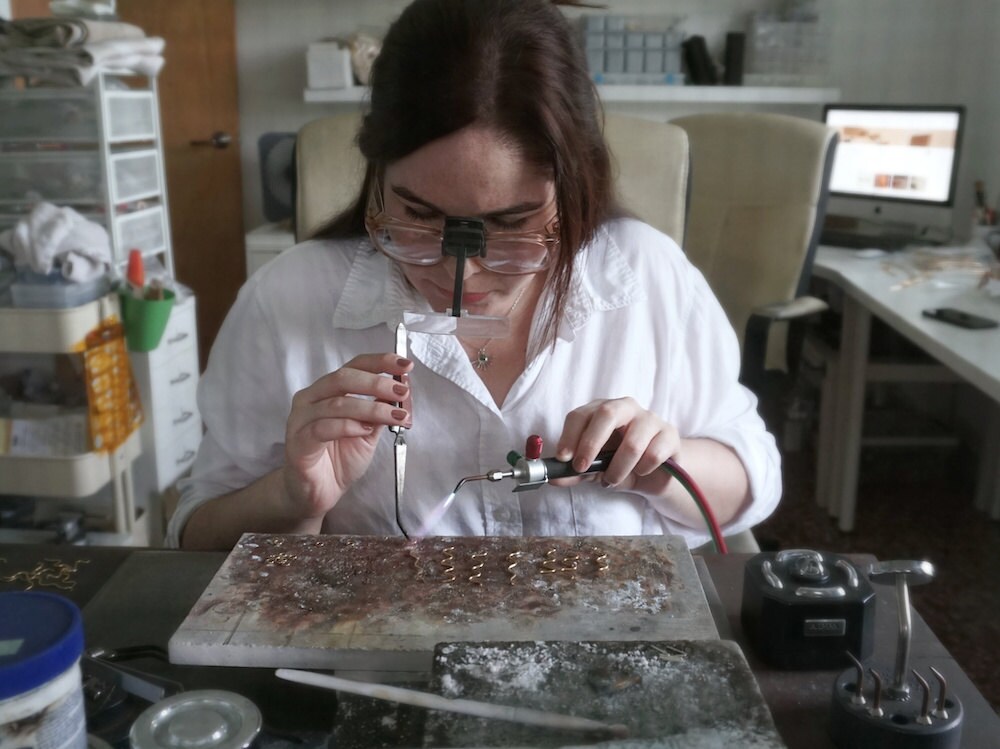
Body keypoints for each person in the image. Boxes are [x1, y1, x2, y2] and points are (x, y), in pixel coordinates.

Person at [166, 0, 781, 551]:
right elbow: (193, 533)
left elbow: (754, 480)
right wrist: (292, 500)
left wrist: (660, 471)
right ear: (375, 175)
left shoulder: (647, 275)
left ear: (575, 188)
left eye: (512, 222)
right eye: (417, 215)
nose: (461, 270)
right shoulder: (288, 299)